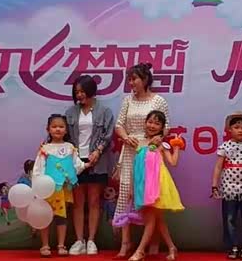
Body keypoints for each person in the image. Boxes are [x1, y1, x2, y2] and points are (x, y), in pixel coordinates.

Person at [113, 63, 170, 259]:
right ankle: (125, 243)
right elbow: (119, 124)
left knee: (149, 197)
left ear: (145, 79)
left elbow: (166, 126)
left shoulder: (159, 101)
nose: (131, 83)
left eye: (134, 79)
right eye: (129, 79)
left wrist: (158, 138)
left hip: (150, 153)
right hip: (130, 150)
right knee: (125, 194)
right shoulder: (127, 100)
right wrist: (125, 137)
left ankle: (153, 242)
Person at [66, 75, 116, 256]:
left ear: (91, 91)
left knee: (94, 201)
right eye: (76, 92)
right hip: (76, 161)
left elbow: (108, 135)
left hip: (97, 161)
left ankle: (92, 240)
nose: (79, 95)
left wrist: (98, 151)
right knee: (78, 203)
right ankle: (79, 240)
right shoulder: (70, 112)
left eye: (82, 91)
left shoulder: (104, 111)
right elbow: (65, 135)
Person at [128, 110, 183, 261]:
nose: (152, 126)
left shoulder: (162, 144)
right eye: (150, 122)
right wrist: (132, 187)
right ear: (145, 122)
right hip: (143, 185)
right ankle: (172, 247)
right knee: (158, 220)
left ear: (162, 128)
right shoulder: (139, 143)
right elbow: (135, 167)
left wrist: (176, 147)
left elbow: (172, 162)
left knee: (151, 219)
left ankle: (140, 251)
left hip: (157, 185)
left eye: (157, 123)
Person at [33, 114, 87, 258]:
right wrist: (38, 186)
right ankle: (45, 245)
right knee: (45, 216)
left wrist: (87, 165)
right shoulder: (45, 149)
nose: (58, 129)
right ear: (48, 129)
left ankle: (61, 245)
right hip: (47, 189)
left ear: (66, 130)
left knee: (62, 216)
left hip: (64, 189)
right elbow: (38, 169)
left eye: (61, 126)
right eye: (54, 126)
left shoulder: (70, 148)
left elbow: (77, 165)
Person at [211, 112, 242, 260]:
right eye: (236, 127)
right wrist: (214, 186)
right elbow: (218, 167)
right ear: (229, 129)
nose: (240, 130)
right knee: (229, 219)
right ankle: (232, 246)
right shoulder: (225, 147)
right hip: (229, 189)